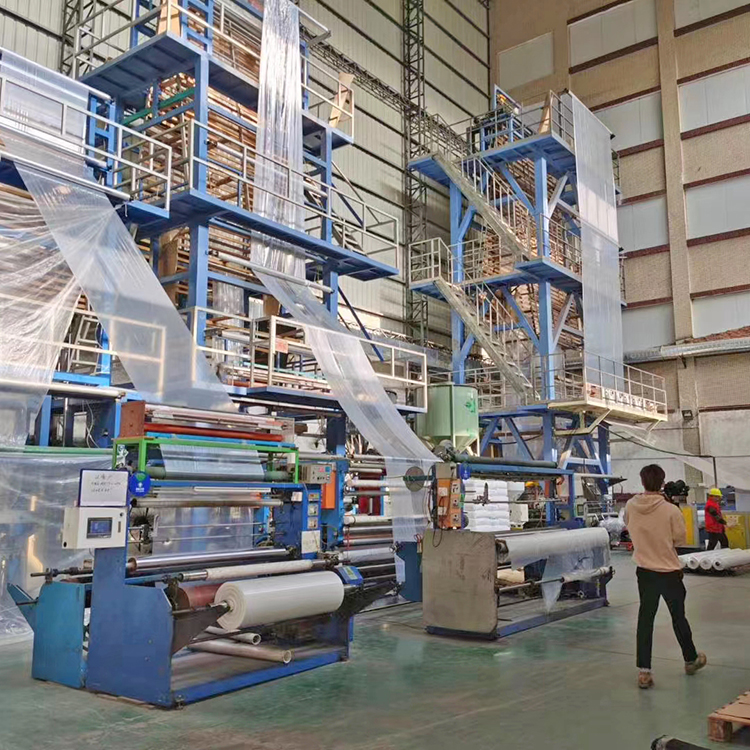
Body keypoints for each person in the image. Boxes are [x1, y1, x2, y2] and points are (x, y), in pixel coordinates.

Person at [624, 464, 706, 689]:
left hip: (645, 572)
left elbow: (628, 526)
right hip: (669, 572)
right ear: (662, 482)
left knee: (645, 619)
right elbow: (679, 539)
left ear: (642, 482)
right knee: (678, 617)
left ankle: (644, 672)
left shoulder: (631, 506)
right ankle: (690, 660)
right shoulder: (670, 510)